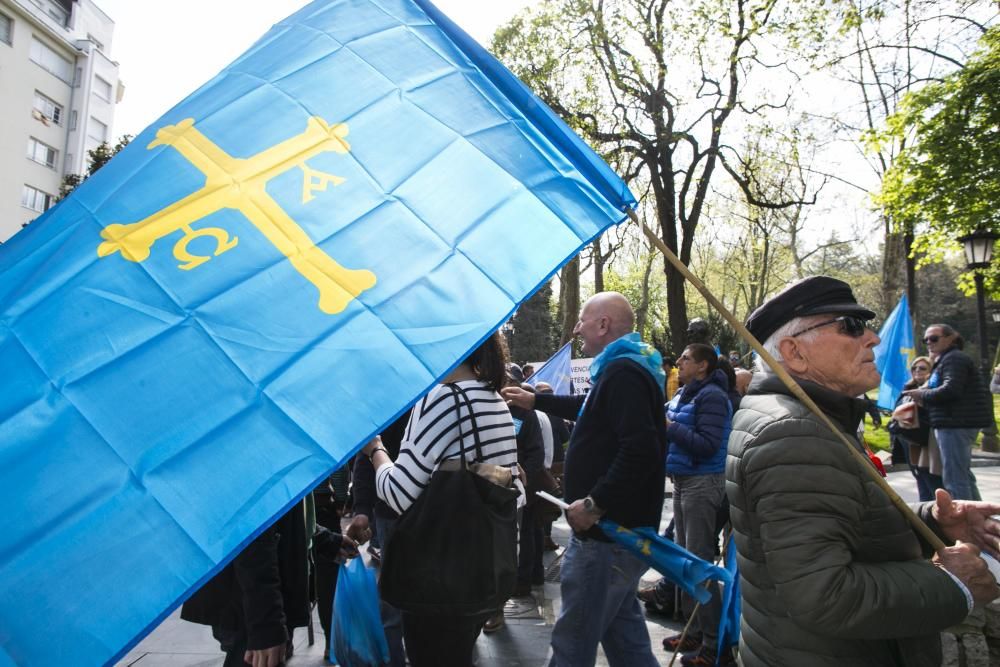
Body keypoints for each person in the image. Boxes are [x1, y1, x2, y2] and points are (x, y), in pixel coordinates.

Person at [729, 276, 1000, 666]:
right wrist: (951, 584)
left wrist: (934, 523)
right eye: (851, 327)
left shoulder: (808, 416)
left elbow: (843, 523)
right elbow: (823, 593)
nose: (872, 338)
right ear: (794, 352)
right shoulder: (795, 432)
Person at [502, 292, 666, 667]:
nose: (577, 329)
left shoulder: (624, 372)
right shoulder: (624, 368)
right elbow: (589, 408)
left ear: (603, 325)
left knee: (572, 643)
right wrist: (536, 401)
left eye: (581, 321)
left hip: (605, 536)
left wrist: (594, 504)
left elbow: (640, 449)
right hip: (617, 535)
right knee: (627, 642)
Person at [361, 332, 519, 667]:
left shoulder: (442, 399)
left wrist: (375, 451)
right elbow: (511, 487)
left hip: (438, 582)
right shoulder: (496, 400)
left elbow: (398, 494)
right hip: (482, 572)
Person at [181, 497, 366, 667]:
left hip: (261, 603)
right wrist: (266, 625)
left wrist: (328, 541)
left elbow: (284, 517)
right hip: (250, 605)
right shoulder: (252, 465)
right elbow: (251, 535)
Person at [659, 345, 734, 666]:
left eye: (685, 359)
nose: (679, 362)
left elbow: (707, 444)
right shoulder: (684, 394)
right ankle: (694, 630)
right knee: (683, 560)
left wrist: (670, 428)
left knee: (699, 562)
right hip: (683, 480)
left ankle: (715, 645)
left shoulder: (713, 397)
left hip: (703, 483)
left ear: (702, 365)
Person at [903, 324, 994, 500]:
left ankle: (965, 521)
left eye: (934, 338)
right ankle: (977, 515)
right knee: (962, 475)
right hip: (952, 422)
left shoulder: (954, 359)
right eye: (926, 339)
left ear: (950, 338)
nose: (929, 342)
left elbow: (951, 390)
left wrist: (921, 394)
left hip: (955, 423)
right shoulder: (945, 359)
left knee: (954, 478)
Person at [890, 356, 943, 502]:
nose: (917, 371)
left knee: (932, 481)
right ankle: (926, 516)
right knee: (919, 478)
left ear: (931, 371)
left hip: (926, 442)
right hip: (907, 440)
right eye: (914, 368)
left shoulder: (932, 389)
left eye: (922, 368)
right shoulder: (907, 388)